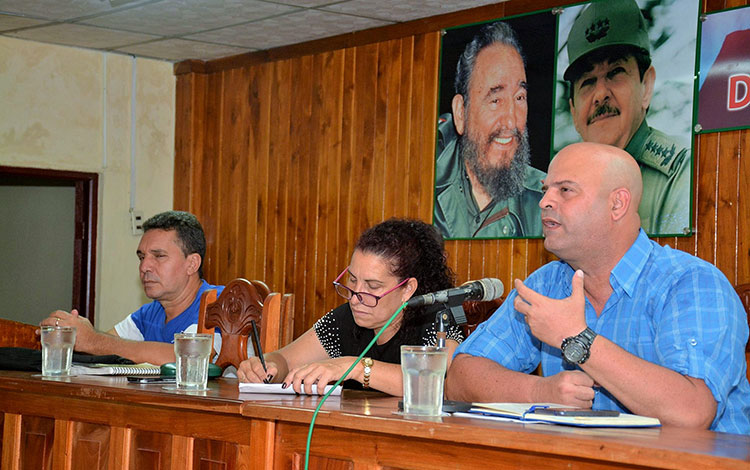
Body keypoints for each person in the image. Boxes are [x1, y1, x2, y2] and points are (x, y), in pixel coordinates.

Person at [445, 142, 750, 433]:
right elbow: (460, 378)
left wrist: (577, 338)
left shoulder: (691, 283)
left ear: (617, 204)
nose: (544, 201)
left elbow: (691, 413)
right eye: (545, 190)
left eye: (565, 190)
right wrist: (540, 391)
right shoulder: (547, 284)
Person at [237, 218, 464, 395]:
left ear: (407, 289)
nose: (356, 298)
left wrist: (355, 367)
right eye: (353, 280)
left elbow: (442, 385)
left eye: (373, 286)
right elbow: (285, 359)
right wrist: (265, 367)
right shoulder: (346, 319)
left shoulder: (437, 319)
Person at [563, 0, 691, 235]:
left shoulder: (683, 175)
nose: (600, 94)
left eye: (615, 73)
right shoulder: (560, 189)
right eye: (588, 82)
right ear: (573, 110)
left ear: (646, 87)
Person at [40, 210, 224, 365]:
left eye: (158, 256)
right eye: (142, 257)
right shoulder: (149, 314)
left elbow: (190, 359)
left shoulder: (222, 303)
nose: (144, 267)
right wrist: (73, 333)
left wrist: (93, 340)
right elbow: (109, 347)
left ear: (192, 264)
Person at [434, 21, 545, 239]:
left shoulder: (547, 201)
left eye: (519, 98)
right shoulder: (423, 183)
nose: (511, 122)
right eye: (495, 100)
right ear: (460, 113)